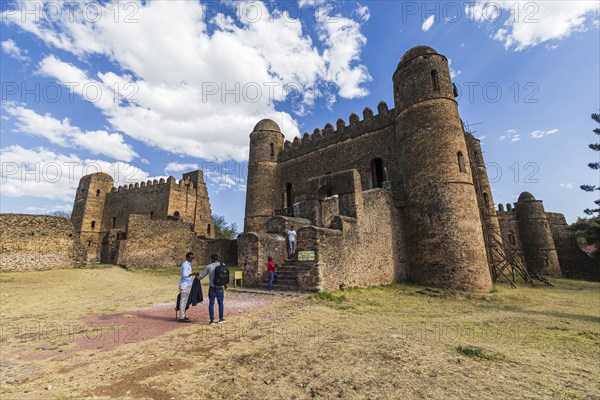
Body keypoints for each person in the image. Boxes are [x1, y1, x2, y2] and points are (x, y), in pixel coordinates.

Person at [199, 253, 226, 325]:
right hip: (220, 287)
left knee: (211, 303)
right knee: (220, 303)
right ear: (217, 258)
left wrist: (197, 277)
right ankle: (221, 318)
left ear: (211, 259)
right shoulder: (222, 265)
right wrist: (225, 285)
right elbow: (224, 276)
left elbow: (202, 276)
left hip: (212, 287)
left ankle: (212, 320)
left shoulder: (209, 266)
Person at [178, 252, 199, 323]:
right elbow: (184, 275)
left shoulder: (186, 265)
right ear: (187, 257)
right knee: (183, 301)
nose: (192, 259)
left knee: (184, 301)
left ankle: (183, 315)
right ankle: (182, 317)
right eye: (191, 258)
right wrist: (192, 274)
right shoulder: (185, 265)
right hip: (185, 285)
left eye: (193, 258)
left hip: (186, 284)